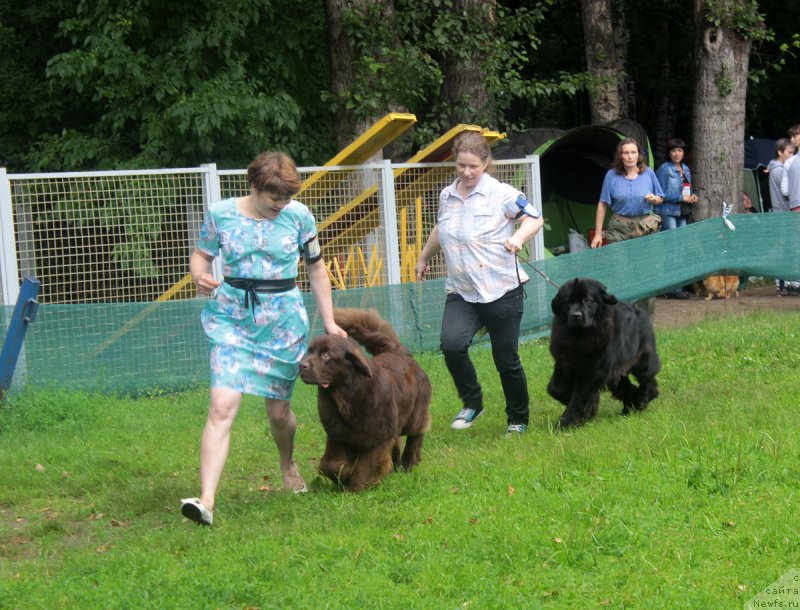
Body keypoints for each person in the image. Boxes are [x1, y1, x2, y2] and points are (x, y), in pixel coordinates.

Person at [181, 151, 346, 526]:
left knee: (279, 412)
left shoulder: (300, 217)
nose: (282, 204)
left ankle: (288, 466)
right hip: (232, 319)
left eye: (287, 197)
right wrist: (198, 275)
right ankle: (205, 500)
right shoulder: (221, 214)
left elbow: (317, 270)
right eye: (275, 197)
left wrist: (330, 321)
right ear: (253, 187)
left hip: (283, 324)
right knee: (222, 405)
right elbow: (201, 256)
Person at [415, 132, 544, 436]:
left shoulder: (502, 194)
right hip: (463, 291)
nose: (467, 172)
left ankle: (518, 419)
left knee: (506, 359)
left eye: (473, 166)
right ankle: (472, 401)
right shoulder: (447, 195)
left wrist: (517, 237)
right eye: (461, 165)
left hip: (501, 289)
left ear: (486, 163)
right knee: (451, 344)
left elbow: (534, 218)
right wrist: (423, 257)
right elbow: (441, 228)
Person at [590, 137, 665, 316]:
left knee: (646, 273)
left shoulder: (649, 174)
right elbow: (602, 204)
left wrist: (655, 199)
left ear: (639, 155)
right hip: (618, 227)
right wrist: (598, 234)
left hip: (644, 227)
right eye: (626, 153)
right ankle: (622, 317)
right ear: (620, 156)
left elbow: (660, 198)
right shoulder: (611, 175)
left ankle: (645, 320)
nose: (630, 156)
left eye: (633, 152)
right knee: (621, 273)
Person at [655, 138, 698, 300]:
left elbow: (687, 190)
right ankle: (672, 288)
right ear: (669, 153)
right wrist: (681, 197)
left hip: (682, 212)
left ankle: (677, 284)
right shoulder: (664, 169)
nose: (677, 153)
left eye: (679, 150)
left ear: (683, 152)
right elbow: (660, 195)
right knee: (672, 248)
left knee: (681, 248)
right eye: (673, 150)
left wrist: (691, 196)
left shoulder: (686, 169)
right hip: (667, 211)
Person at [768, 138, 795, 295]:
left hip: (784, 214)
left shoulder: (779, 169)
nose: (792, 156)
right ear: (780, 152)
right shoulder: (779, 171)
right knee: (783, 250)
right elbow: (788, 193)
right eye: (789, 152)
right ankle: (781, 285)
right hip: (782, 215)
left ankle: (787, 284)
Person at [779, 124, 800, 212]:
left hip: (795, 205)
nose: (792, 140)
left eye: (795, 137)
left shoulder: (789, 162)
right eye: (791, 137)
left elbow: (785, 191)